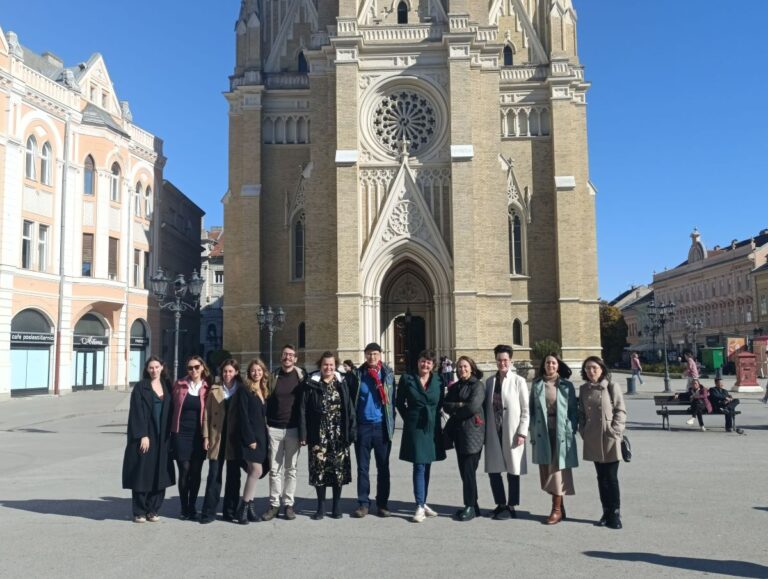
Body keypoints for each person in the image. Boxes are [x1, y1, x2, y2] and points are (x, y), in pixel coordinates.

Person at [300, 352, 356, 520]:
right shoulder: (311, 383)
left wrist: (352, 430)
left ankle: (336, 505)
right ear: (320, 365)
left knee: (338, 469)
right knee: (319, 470)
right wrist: (304, 434)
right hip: (318, 434)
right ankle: (321, 507)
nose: (328, 368)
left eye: (331, 365)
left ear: (335, 365)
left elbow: (349, 408)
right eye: (325, 364)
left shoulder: (341, 383)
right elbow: (302, 409)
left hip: (338, 433)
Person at [122, 356, 175, 523]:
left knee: (160, 473)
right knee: (142, 473)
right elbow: (136, 413)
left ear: (162, 367)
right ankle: (139, 511)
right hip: (147, 436)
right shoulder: (141, 387)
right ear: (147, 369)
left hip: (163, 437)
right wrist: (142, 435)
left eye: (157, 367)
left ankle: (153, 509)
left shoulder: (167, 385)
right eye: (151, 367)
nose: (154, 370)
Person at [397, 349, 446, 523]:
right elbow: (399, 402)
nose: (425, 365)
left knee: (427, 465)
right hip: (415, 427)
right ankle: (419, 505)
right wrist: (410, 418)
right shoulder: (407, 379)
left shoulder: (439, 381)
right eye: (422, 361)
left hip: (432, 427)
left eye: (429, 362)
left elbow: (440, 402)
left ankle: (423, 501)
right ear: (418, 362)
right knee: (419, 465)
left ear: (433, 365)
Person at [578, 356, 627, 530]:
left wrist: (615, 431)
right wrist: (583, 430)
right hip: (592, 438)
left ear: (602, 369)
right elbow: (581, 413)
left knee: (611, 477)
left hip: (609, 438)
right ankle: (605, 512)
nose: (591, 371)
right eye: (588, 368)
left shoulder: (612, 387)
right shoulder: (583, 389)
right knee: (601, 478)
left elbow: (620, 411)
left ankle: (615, 514)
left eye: (594, 368)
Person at [529, 353, 578, 525]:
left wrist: (571, 428)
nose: (551, 365)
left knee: (557, 470)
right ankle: (561, 507)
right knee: (547, 471)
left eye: (554, 363)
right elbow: (531, 410)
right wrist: (532, 431)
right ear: (543, 365)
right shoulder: (536, 385)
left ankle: (556, 509)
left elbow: (573, 410)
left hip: (561, 432)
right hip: (543, 431)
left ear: (558, 366)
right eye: (548, 362)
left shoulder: (566, 385)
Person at [350, 342, 396, 518]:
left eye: (375, 354)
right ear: (365, 355)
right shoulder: (357, 375)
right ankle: (363, 503)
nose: (372, 357)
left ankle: (382, 503)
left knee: (383, 467)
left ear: (380, 355)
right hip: (363, 427)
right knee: (363, 467)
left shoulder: (387, 374)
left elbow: (394, 400)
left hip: (382, 427)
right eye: (369, 354)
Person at [483, 344, 529, 520]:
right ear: (495, 361)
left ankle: (511, 506)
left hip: (512, 431)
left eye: (505, 360)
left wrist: (522, 432)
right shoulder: (490, 382)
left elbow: (526, 410)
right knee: (494, 470)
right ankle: (500, 503)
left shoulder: (519, 381)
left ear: (510, 361)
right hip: (494, 431)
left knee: (513, 469)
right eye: (499, 360)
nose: (502, 363)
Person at [261, 344, 305, 521]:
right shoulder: (273, 376)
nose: (287, 357)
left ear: (295, 359)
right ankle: (274, 504)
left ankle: (288, 504)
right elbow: (265, 399)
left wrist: (304, 433)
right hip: (274, 429)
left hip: (294, 429)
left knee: (291, 469)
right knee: (274, 469)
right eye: (285, 354)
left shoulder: (302, 377)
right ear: (281, 357)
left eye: (291, 355)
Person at [199, 359, 244, 524]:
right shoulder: (215, 390)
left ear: (236, 372)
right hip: (216, 437)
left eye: (231, 371)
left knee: (234, 476)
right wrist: (205, 437)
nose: (227, 374)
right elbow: (207, 415)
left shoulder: (241, 390)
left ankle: (230, 511)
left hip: (234, 439)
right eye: (225, 371)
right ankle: (208, 512)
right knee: (214, 476)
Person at [443, 355, 485, 521]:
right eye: (459, 367)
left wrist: (457, 408)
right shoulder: (456, 386)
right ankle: (474, 506)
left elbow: (473, 407)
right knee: (466, 472)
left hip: (473, 434)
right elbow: (446, 405)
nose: (462, 369)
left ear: (472, 368)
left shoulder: (477, 385)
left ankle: (469, 506)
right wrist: (460, 405)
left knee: (468, 472)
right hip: (460, 434)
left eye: (465, 366)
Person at [171, 355, 211, 520]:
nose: (193, 370)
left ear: (202, 367)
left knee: (196, 472)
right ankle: (184, 507)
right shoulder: (180, 385)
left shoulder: (208, 388)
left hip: (199, 435)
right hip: (181, 434)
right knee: (184, 470)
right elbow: (171, 407)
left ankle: (193, 506)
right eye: (190, 368)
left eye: (196, 367)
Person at [236, 358, 271, 524]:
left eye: (259, 370)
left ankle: (249, 508)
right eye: (253, 370)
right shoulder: (244, 390)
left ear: (263, 372)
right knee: (256, 470)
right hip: (250, 437)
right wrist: (249, 439)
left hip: (261, 436)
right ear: (249, 373)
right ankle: (243, 507)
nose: (256, 373)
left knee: (254, 472)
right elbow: (242, 416)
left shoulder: (263, 389)